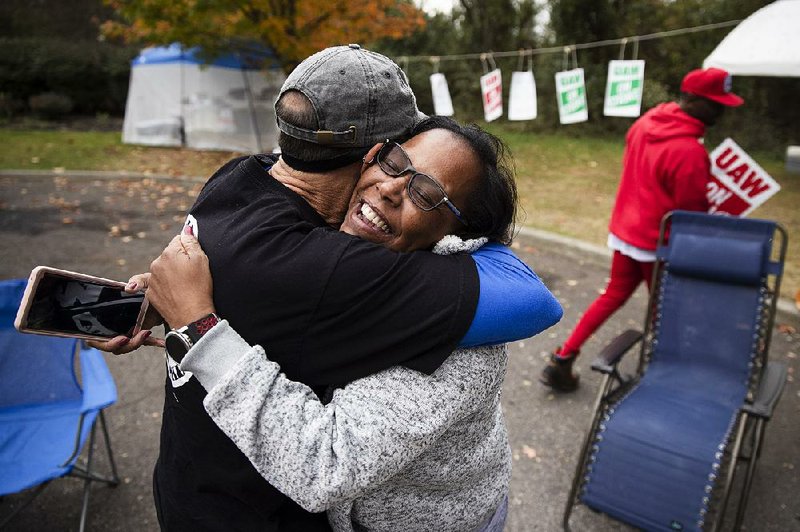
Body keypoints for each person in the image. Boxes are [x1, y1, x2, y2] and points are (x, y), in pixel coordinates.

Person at [95, 45, 559, 531]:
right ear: (368, 155)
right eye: (396, 160)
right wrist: (179, 310)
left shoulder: (240, 179)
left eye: (427, 193)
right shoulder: (321, 263)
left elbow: (324, 462)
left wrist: (196, 322)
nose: (391, 187)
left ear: (457, 232)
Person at [540, 67, 744, 392]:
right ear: (692, 100)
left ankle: (564, 356)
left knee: (613, 295)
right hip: (657, 245)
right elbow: (692, 217)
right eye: (716, 103)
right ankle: (660, 377)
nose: (722, 111)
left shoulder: (646, 123)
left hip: (625, 231)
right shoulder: (689, 152)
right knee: (667, 310)